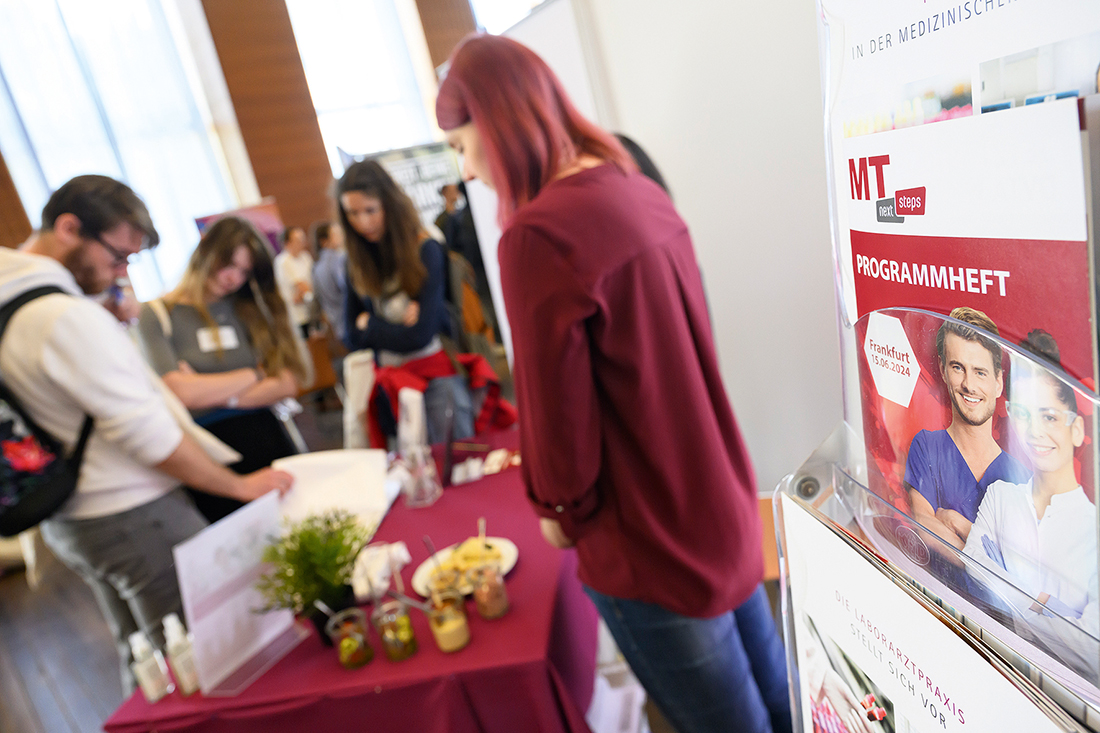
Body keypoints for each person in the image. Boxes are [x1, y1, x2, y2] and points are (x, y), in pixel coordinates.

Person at [437, 35, 790, 733]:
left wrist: (558, 510)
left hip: (644, 530)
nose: (466, 168)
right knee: (783, 697)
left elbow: (559, 427)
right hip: (713, 492)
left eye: (460, 143)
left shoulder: (536, 236)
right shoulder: (633, 185)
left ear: (496, 122)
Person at [0, 175, 292, 692]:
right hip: (133, 515)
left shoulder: (17, 294)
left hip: (72, 515)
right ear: (69, 228)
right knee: (201, 664)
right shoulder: (63, 317)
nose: (122, 272)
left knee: (146, 662)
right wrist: (238, 486)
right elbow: (148, 435)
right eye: (117, 258)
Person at [136, 216, 308, 523]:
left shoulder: (247, 308)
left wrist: (210, 390)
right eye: (228, 264)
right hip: (207, 456)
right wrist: (254, 374)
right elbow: (180, 393)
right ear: (205, 250)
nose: (232, 278)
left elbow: (287, 382)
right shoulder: (157, 314)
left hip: (268, 439)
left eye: (244, 272)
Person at [963, 357, 1097, 666]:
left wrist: (1011, 594)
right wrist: (1046, 605)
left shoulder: (1094, 531)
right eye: (1023, 415)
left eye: (1049, 417)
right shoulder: (1000, 495)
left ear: (1076, 429)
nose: (1035, 432)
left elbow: (1092, 654)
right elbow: (972, 561)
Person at [337, 159, 475, 445]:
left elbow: (420, 335)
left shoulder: (425, 248)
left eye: (370, 210)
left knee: (458, 462)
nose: (363, 222)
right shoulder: (356, 263)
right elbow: (349, 335)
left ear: (389, 204)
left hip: (436, 379)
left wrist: (372, 325)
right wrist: (391, 328)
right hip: (390, 385)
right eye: (353, 213)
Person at [904, 307, 1029, 550]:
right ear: (942, 370)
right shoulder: (927, 447)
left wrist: (956, 523)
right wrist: (988, 558)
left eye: (980, 372)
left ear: (998, 382)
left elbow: (1022, 569)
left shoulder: (1023, 478)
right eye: (957, 368)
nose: (968, 385)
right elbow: (924, 524)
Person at [274, 225, 314, 339]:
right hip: (295, 315)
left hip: (311, 310)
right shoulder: (282, 261)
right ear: (287, 243)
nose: (302, 243)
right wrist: (305, 291)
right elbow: (302, 286)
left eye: (303, 239)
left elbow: (312, 283)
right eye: (297, 240)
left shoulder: (306, 257)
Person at [311, 220, 347, 342]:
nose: (341, 236)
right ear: (324, 241)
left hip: (338, 326)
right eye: (336, 234)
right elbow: (347, 288)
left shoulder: (316, 266)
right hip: (350, 319)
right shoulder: (339, 260)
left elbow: (317, 298)